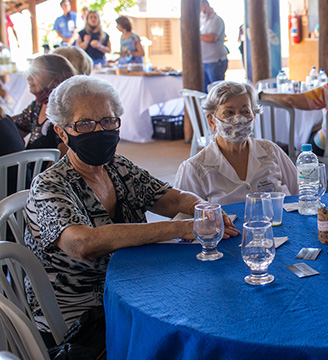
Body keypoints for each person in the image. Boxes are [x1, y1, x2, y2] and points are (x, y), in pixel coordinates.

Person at [26, 75, 238, 346]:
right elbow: (83, 243)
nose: (99, 131)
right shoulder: (49, 185)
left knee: (214, 303)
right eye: (85, 124)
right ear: (62, 131)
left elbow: (172, 200)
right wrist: (183, 227)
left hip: (134, 287)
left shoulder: (117, 167)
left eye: (108, 121)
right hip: (81, 316)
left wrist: (204, 209)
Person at [177, 81, 297, 204]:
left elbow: (299, 193)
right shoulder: (195, 170)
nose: (238, 119)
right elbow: (185, 219)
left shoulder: (271, 151)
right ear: (211, 121)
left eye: (245, 111)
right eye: (229, 112)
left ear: (254, 117)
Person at [13, 54, 76, 153]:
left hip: (46, 168)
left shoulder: (65, 110)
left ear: (56, 79)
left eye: (35, 73)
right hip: (28, 166)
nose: (28, 78)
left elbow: (62, 157)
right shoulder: (37, 106)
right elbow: (14, 135)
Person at [200, 0, 227, 90]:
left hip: (215, 62)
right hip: (205, 62)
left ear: (204, 6)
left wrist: (196, 35)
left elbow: (211, 38)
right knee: (205, 91)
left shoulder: (216, 20)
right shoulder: (204, 22)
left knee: (217, 91)